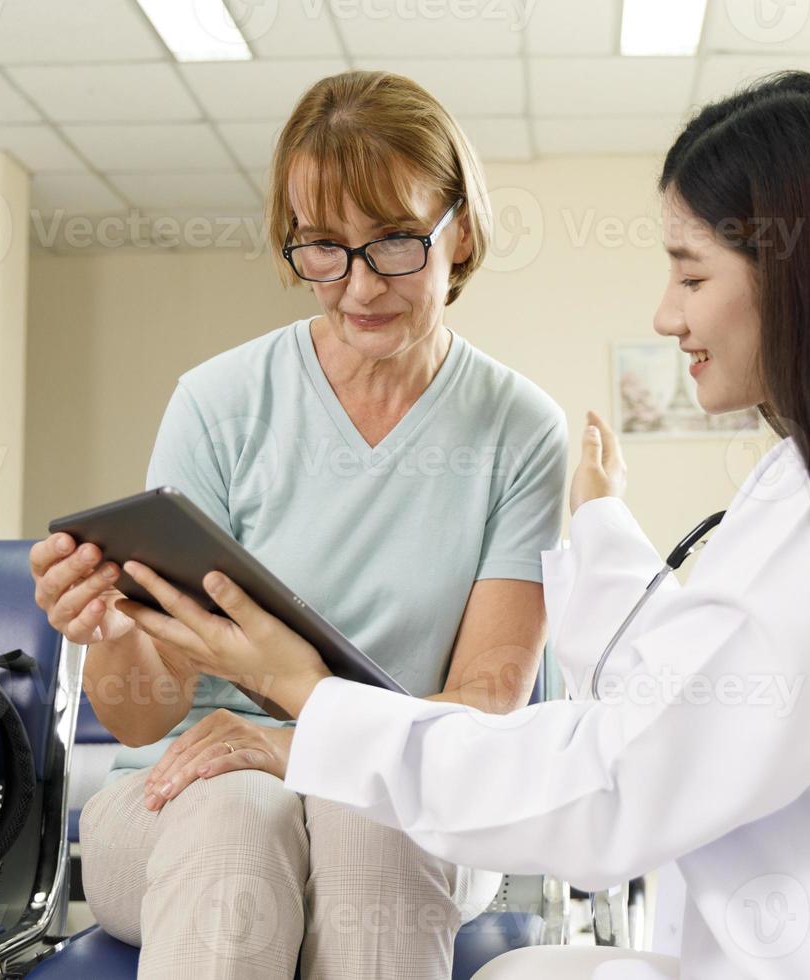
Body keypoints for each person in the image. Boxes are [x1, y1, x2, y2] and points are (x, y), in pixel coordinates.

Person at [116, 73, 810, 978]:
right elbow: (687, 688)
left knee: (415, 872)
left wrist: (302, 696)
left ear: (799, 277)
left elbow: (617, 781)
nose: (664, 314)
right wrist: (600, 526)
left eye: (691, 274)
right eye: (322, 249)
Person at [28, 70, 567, 979]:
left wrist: (297, 744)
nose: (357, 287)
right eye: (322, 247)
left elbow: (484, 706)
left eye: (394, 242)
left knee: (367, 811)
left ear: (461, 228)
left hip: (407, 792)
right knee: (242, 819)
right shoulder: (220, 403)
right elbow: (141, 718)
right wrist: (112, 630)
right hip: (185, 794)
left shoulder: (520, 431)